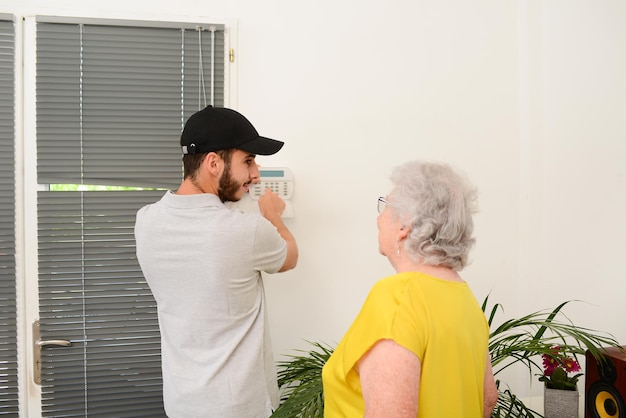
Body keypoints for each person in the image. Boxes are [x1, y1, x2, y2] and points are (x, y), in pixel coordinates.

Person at [134, 106, 298, 418]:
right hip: (239, 408)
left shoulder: (146, 221)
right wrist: (275, 218)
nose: (256, 174)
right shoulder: (246, 230)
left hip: (182, 403)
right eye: (248, 160)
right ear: (213, 162)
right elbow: (289, 257)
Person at [322, 160, 498, 418]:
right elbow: (487, 400)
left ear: (405, 225)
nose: (379, 218)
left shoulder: (398, 297)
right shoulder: (464, 298)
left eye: (386, 205)